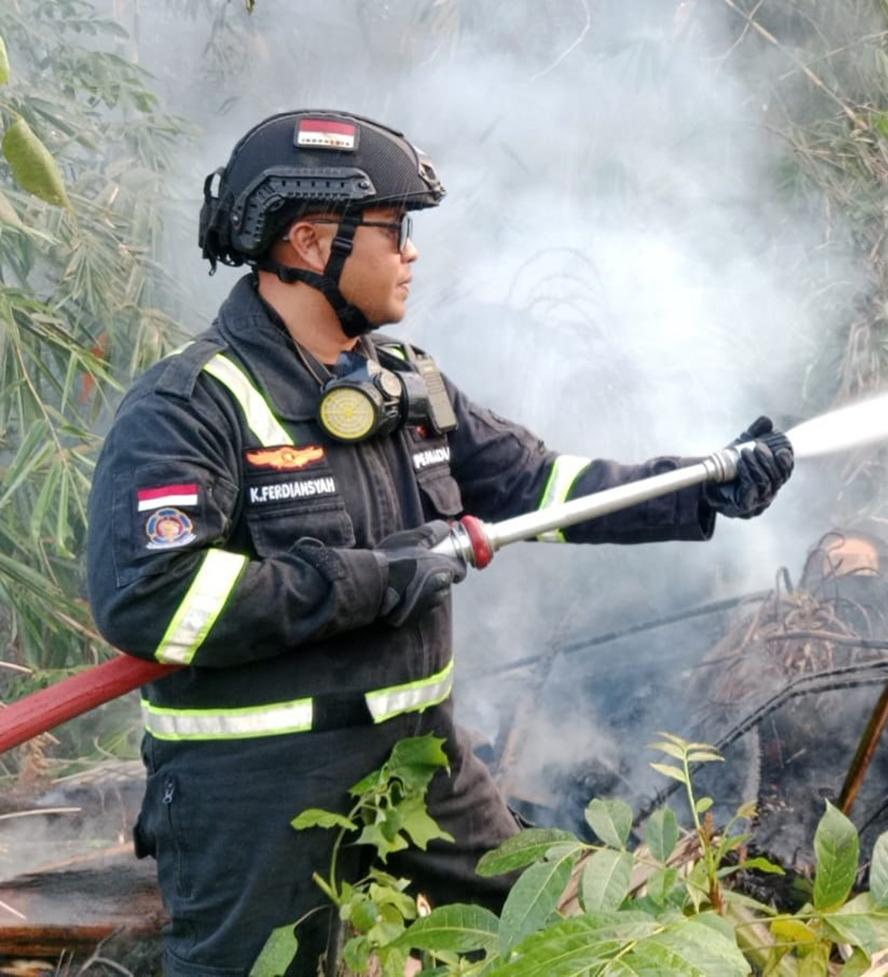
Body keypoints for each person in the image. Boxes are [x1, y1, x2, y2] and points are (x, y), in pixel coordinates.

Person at [84, 109, 794, 975]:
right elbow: (153, 599)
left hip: (422, 763)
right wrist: (373, 578)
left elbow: (538, 485)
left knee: (566, 939)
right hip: (253, 793)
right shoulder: (189, 406)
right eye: (394, 228)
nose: (412, 252)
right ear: (310, 242)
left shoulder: (406, 383)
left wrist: (699, 486)